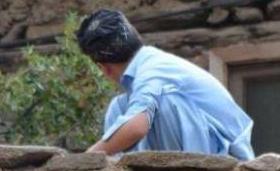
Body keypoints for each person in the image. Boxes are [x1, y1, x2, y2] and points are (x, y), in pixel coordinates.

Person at [77, 9, 254, 159]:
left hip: (228, 159)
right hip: (202, 145)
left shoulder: (153, 70)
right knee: (119, 107)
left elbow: (137, 128)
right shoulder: (149, 65)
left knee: (163, 102)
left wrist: (86, 159)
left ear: (104, 68)